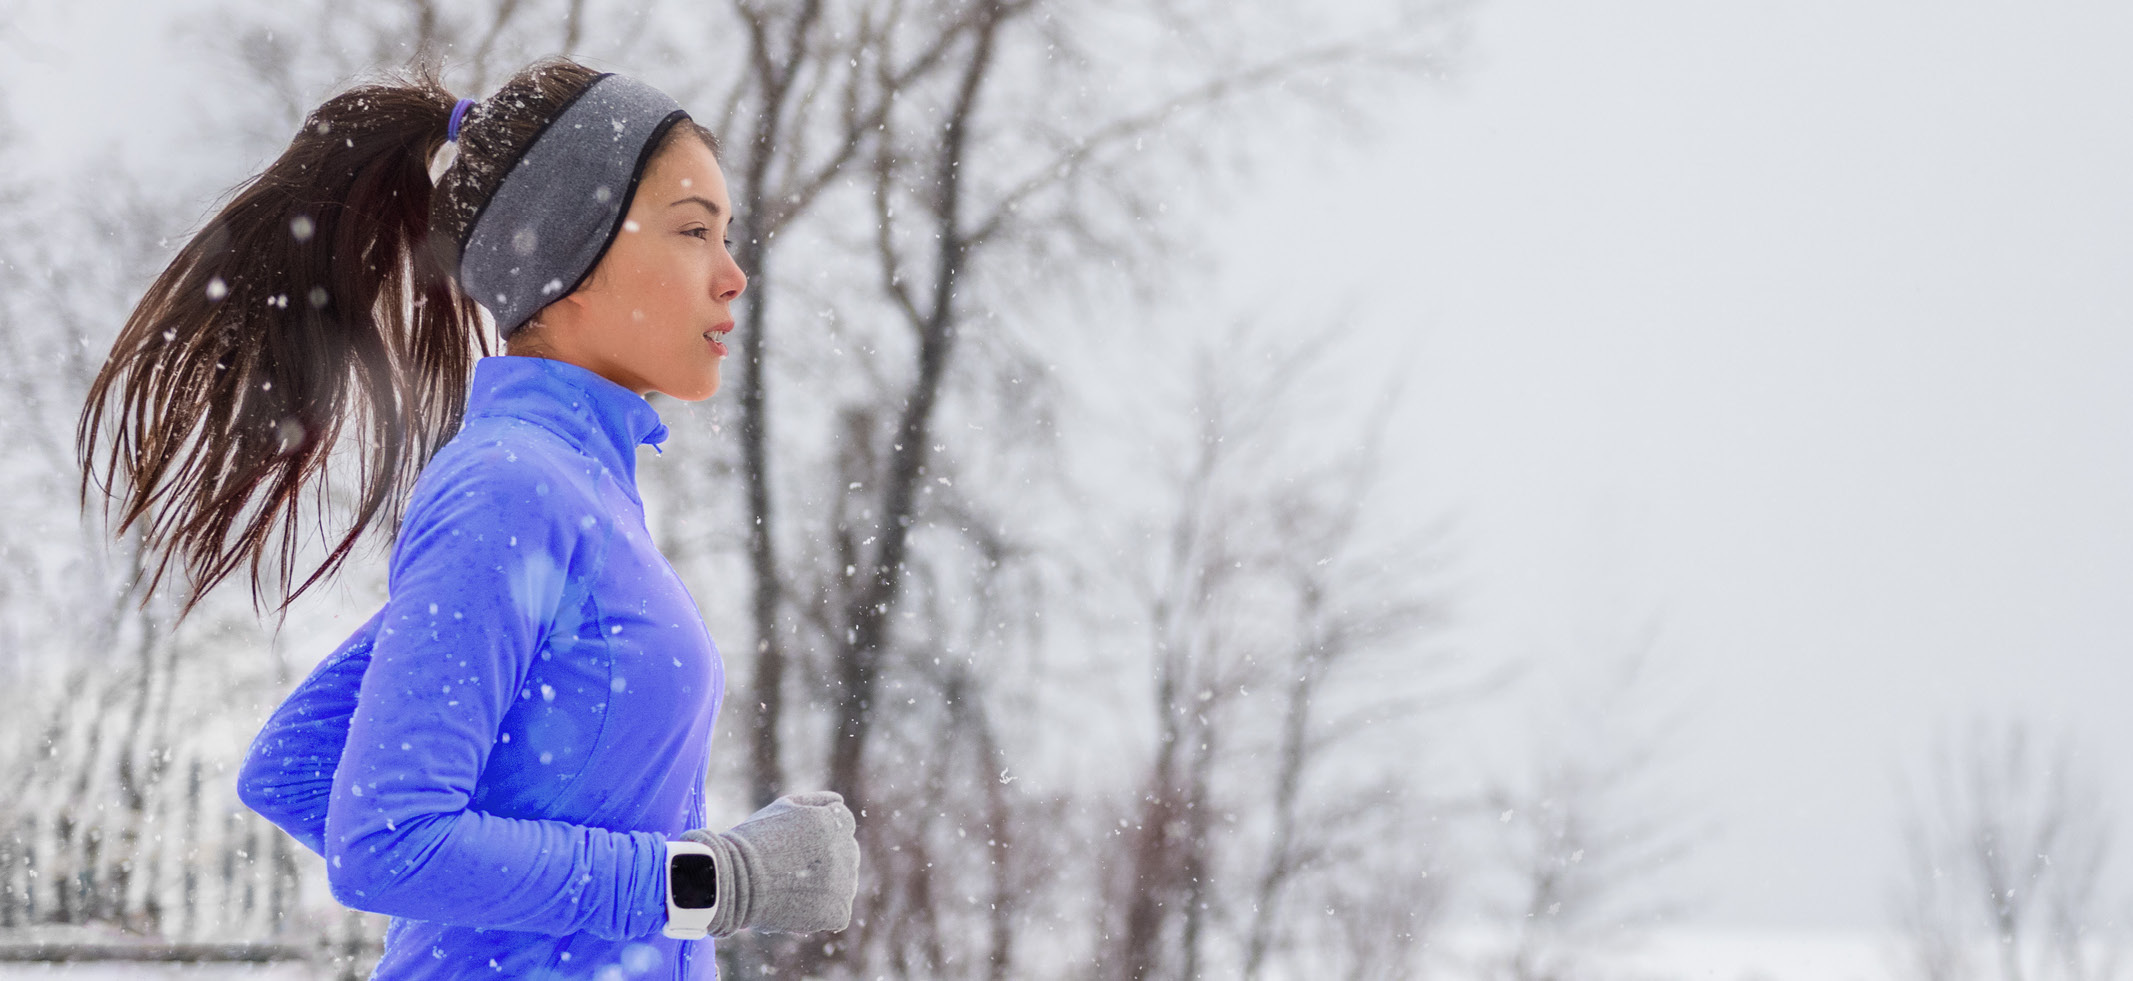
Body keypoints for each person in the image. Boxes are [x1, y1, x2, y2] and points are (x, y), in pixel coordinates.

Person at [76, 58, 858, 980]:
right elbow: (389, 837)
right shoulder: (512, 488)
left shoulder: (569, 491)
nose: (732, 276)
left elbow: (295, 765)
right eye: (694, 231)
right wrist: (709, 879)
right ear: (571, 251)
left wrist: (526, 904)